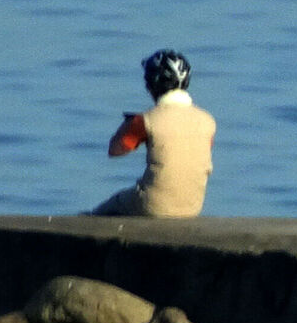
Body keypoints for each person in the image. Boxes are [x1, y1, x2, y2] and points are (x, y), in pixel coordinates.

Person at [90, 50, 217, 218]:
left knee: (105, 210)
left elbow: (115, 150)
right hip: (193, 207)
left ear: (152, 84)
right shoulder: (208, 121)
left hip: (152, 205)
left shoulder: (146, 120)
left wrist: (129, 124)